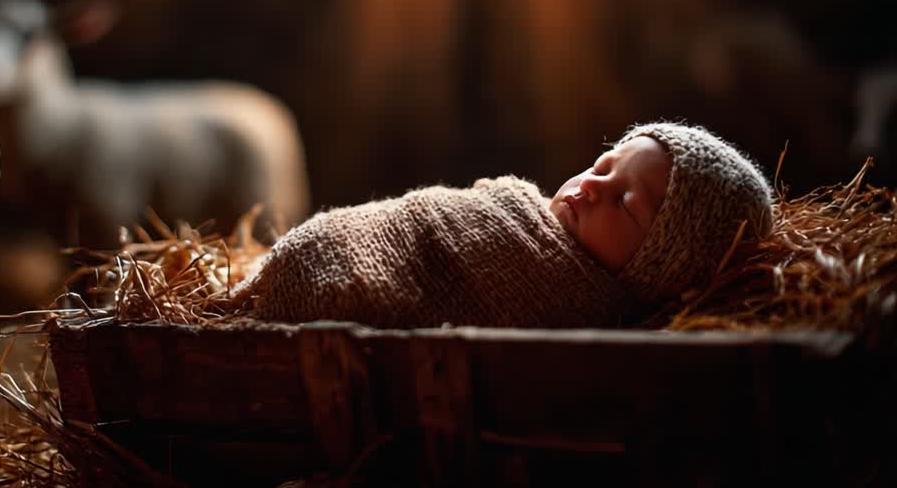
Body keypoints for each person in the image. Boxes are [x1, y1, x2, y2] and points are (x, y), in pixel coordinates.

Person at [234, 122, 774, 328]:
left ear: (661, 262)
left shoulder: (573, 300)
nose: (590, 186)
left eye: (625, 203)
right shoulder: (523, 215)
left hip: (332, 298)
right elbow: (419, 221)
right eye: (603, 166)